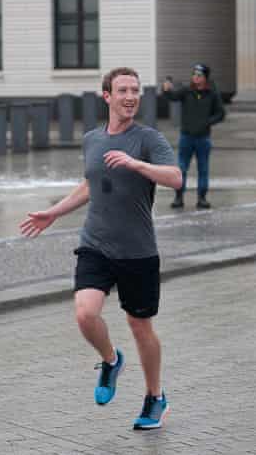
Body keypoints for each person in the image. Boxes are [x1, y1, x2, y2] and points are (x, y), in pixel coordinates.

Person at [20, 67, 182, 430]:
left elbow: (176, 177)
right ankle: (110, 361)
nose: (130, 97)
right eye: (122, 90)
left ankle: (155, 397)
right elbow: (92, 184)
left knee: (140, 326)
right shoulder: (92, 139)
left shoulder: (148, 139)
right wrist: (54, 213)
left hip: (138, 249)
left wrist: (137, 164)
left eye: (135, 90)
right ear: (106, 96)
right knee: (85, 313)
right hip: (95, 243)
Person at [160, 63, 225, 209]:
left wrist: (207, 122)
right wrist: (166, 89)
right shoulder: (186, 91)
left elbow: (221, 113)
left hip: (203, 138)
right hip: (186, 137)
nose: (195, 77)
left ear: (205, 78)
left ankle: (202, 198)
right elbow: (172, 96)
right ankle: (178, 197)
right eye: (194, 74)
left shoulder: (212, 93)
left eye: (199, 75)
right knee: (181, 168)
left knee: (203, 169)